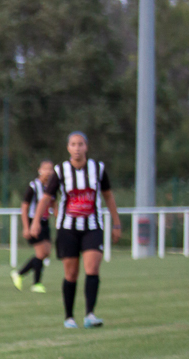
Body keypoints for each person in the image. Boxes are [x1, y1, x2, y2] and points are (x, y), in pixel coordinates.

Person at [31, 132, 121, 329]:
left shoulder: (98, 169)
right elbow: (46, 198)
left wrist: (116, 223)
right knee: (71, 274)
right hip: (68, 229)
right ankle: (69, 317)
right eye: (73, 144)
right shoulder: (61, 170)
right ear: (68, 148)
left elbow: (108, 196)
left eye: (80, 144)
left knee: (92, 268)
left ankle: (90, 314)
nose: (77, 148)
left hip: (92, 227)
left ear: (86, 147)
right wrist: (35, 221)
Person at [12, 160, 55, 293]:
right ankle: (36, 283)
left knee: (46, 253)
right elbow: (24, 207)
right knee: (41, 253)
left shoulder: (51, 187)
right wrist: (26, 227)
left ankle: (19, 274)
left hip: (45, 222)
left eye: (50, 169)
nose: (48, 172)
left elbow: (54, 204)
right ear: (39, 170)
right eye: (45, 169)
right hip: (33, 222)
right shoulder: (33, 187)